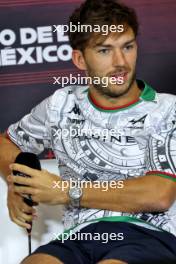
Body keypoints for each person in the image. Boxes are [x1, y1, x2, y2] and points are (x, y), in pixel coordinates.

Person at [0, 0, 176, 263]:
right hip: (78, 238)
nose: (121, 63)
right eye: (105, 50)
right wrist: (18, 183)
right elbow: (5, 143)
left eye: (127, 47)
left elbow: (159, 193)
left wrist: (65, 191)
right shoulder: (60, 104)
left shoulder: (166, 108)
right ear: (80, 59)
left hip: (149, 237)